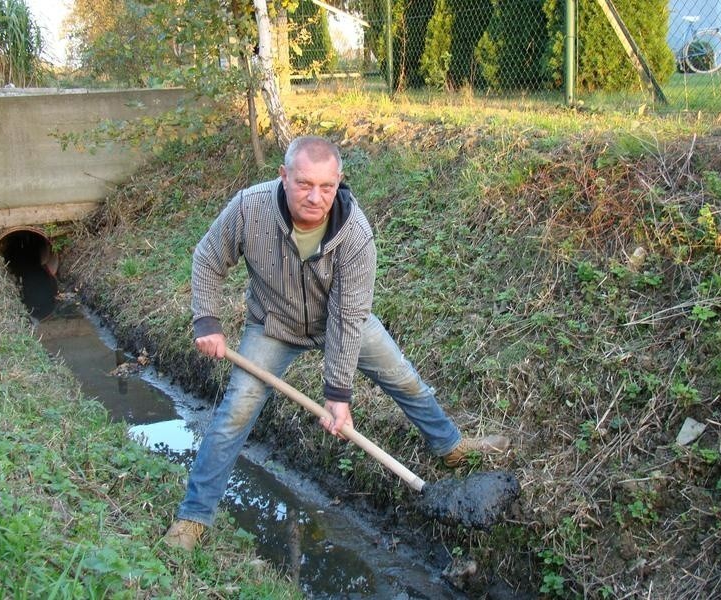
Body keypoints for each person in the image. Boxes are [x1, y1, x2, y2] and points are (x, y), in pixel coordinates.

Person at [163, 136, 510, 551]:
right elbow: (207, 258)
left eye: (326, 187)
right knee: (234, 414)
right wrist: (207, 321)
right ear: (283, 176)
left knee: (404, 378)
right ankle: (193, 517)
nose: (315, 196)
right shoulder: (248, 208)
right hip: (273, 325)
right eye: (304, 183)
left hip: (340, 323)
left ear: (339, 181)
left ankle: (450, 447)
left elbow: (348, 319)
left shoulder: (355, 232)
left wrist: (337, 395)